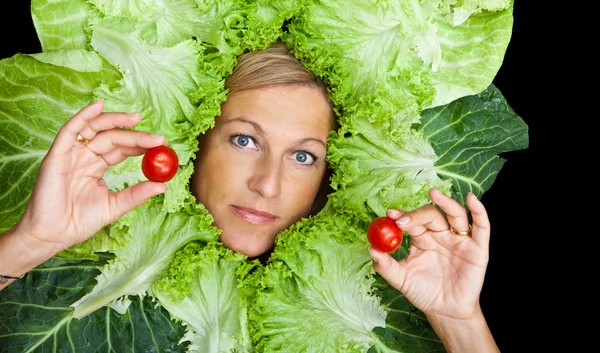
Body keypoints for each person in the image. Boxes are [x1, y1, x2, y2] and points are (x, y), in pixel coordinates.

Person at [0, 42, 499, 352]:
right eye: (244, 140)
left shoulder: (370, 307)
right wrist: (33, 240)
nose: (268, 183)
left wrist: (459, 322)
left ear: (329, 177)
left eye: (303, 156)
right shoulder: (92, 269)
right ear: (196, 141)